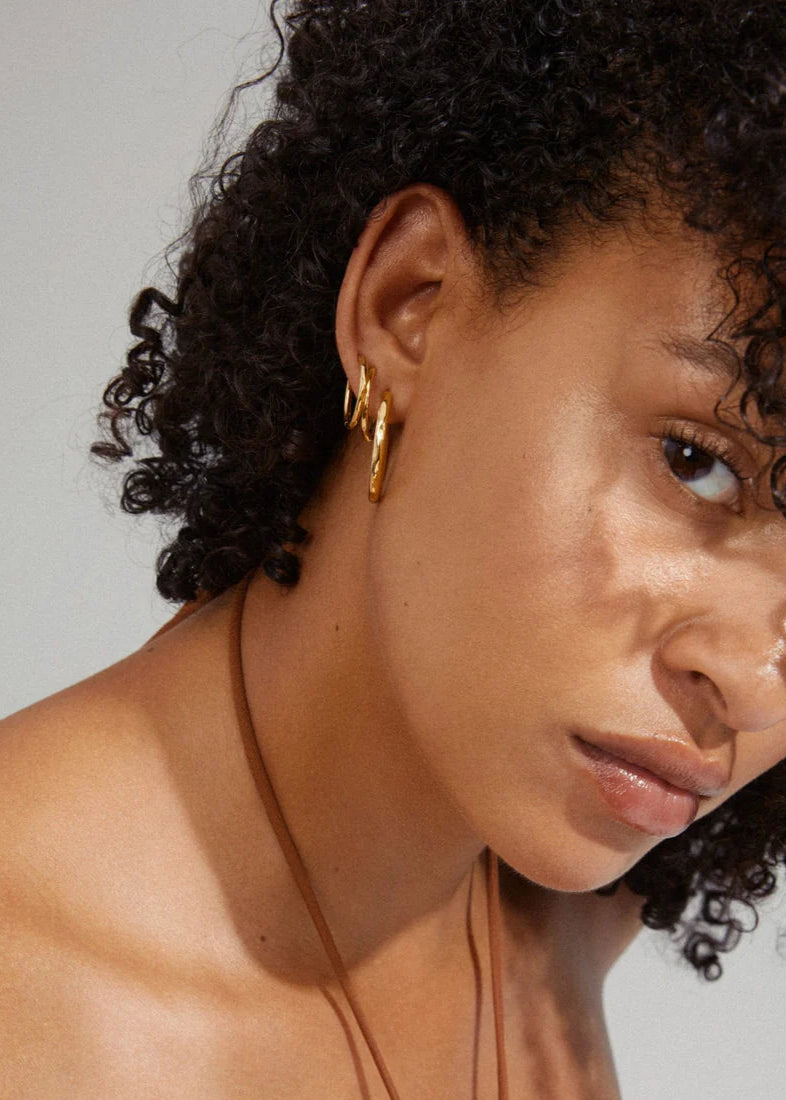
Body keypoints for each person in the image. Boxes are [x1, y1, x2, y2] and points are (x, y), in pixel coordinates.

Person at [2, 0, 786, 1095]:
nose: (756, 682)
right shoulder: (30, 995)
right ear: (408, 304)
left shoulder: (555, 920)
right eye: (696, 459)